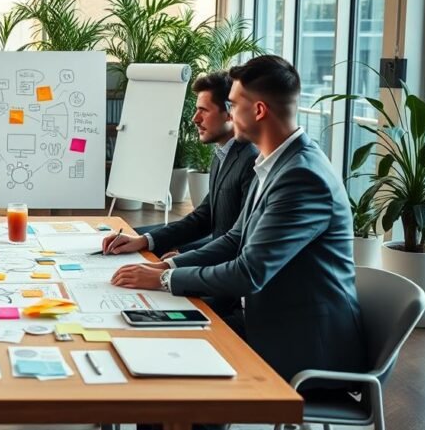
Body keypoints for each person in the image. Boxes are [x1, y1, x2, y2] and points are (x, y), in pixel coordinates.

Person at [105, 55, 368, 387]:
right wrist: (165, 268)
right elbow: (235, 238)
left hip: (302, 346)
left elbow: (249, 272)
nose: (229, 114)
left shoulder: (302, 176)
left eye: (233, 105)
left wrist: (162, 281)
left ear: (257, 111)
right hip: (263, 317)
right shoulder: (274, 161)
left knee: (171, 368)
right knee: (153, 342)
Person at [116, 71, 258, 260]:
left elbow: (239, 241)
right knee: (136, 240)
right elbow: (204, 217)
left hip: (227, 268)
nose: (195, 118)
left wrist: (182, 258)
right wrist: (144, 240)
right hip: (218, 253)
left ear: (229, 112)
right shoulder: (223, 153)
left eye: (204, 110)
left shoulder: (252, 161)